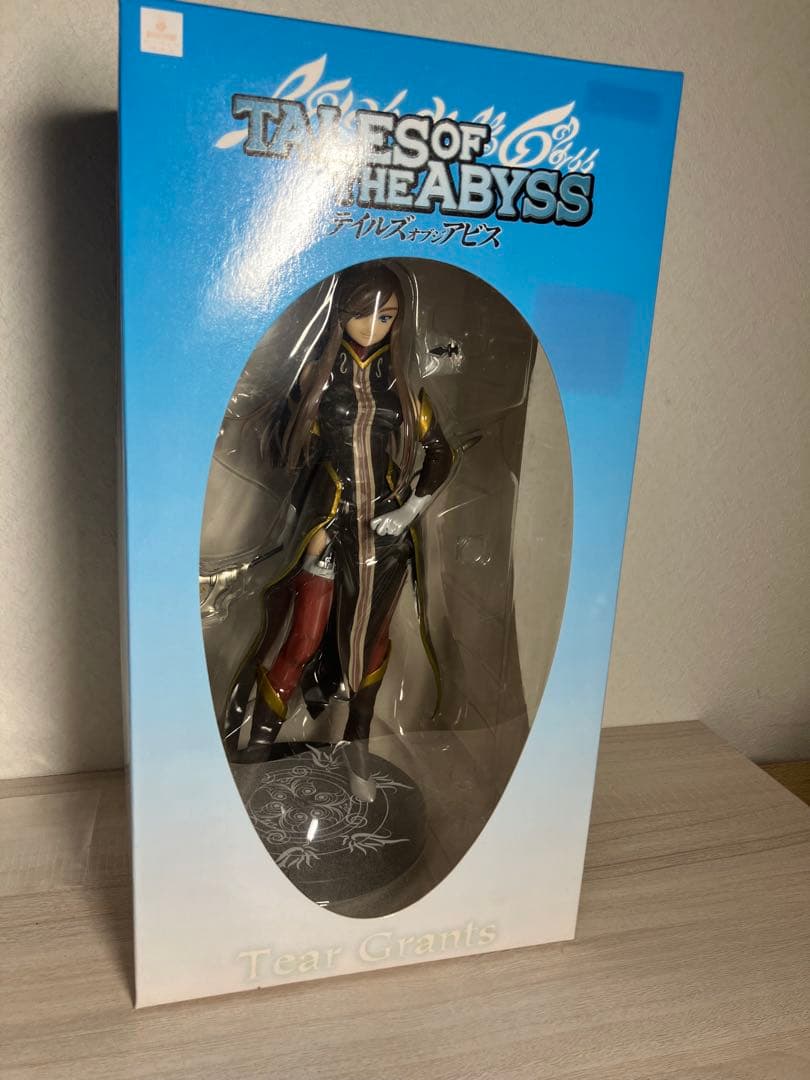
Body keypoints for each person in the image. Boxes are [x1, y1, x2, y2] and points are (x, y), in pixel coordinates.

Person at [223, 261, 453, 800]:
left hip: (384, 533)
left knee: (371, 647)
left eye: (386, 317)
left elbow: (441, 453)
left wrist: (410, 510)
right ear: (341, 314)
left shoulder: (404, 388)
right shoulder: (319, 375)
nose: (373, 327)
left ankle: (358, 753)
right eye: (361, 314)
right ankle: (256, 750)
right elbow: (280, 448)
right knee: (302, 639)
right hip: (327, 525)